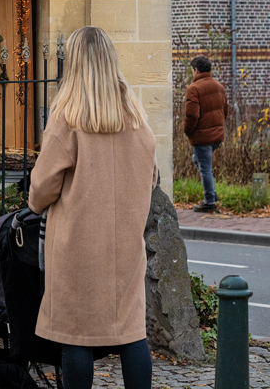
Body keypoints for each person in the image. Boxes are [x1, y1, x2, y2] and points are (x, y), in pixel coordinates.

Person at [27, 27, 157, 389]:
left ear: (76, 64)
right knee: (132, 332)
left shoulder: (68, 118)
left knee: (75, 335)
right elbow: (151, 178)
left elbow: (41, 188)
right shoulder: (137, 119)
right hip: (125, 247)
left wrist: (36, 203)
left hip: (76, 246)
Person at [184, 54, 227, 212]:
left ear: (195, 70)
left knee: (205, 168)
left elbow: (192, 115)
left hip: (202, 137)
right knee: (199, 161)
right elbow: (225, 111)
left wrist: (188, 132)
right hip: (217, 136)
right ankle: (212, 193)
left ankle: (209, 201)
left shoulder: (193, 89)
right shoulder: (219, 87)